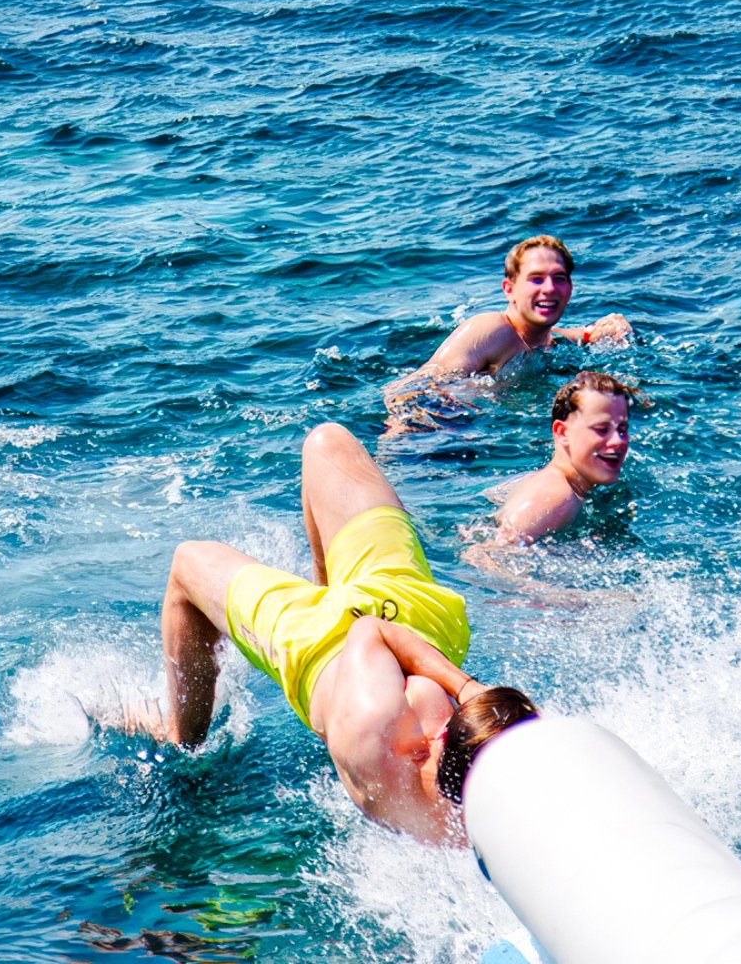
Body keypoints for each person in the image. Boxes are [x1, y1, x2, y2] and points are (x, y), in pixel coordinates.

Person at [144, 422, 539, 843]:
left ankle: (181, 736)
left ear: (433, 744)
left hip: (319, 640)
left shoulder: (373, 726)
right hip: (416, 609)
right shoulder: (465, 810)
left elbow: (371, 631)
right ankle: (328, 582)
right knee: (327, 443)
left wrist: (465, 688)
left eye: (448, 720)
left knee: (187, 563)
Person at [383, 236, 633, 428]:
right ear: (509, 289)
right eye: (536, 279)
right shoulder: (491, 329)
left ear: (570, 288)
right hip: (431, 437)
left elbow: (572, 334)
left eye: (559, 278)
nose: (549, 288)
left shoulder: (546, 340)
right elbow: (409, 391)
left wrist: (601, 330)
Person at [492, 371, 637, 545]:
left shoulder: (560, 486)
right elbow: (488, 555)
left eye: (622, 430)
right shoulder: (556, 499)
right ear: (563, 432)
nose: (618, 441)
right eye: (602, 429)